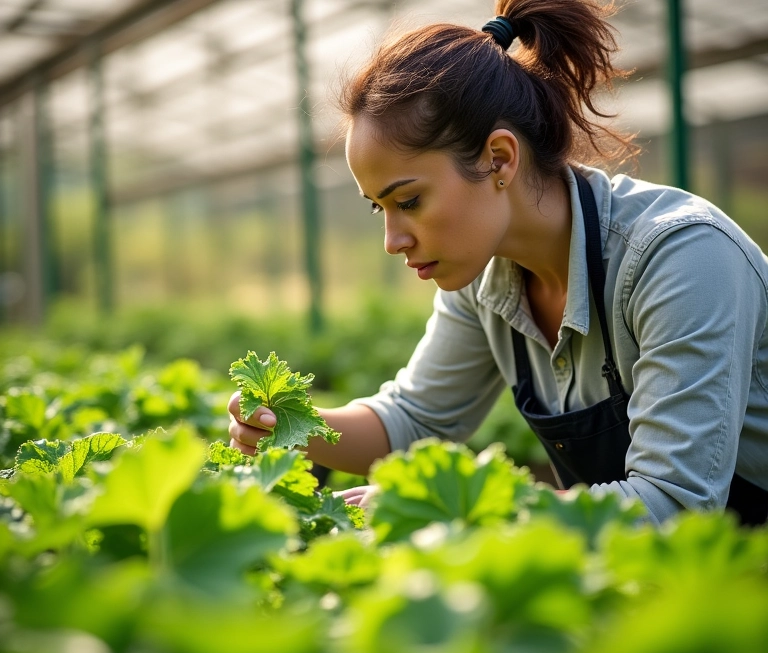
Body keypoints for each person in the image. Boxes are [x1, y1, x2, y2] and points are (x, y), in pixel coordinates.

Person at [229, 0, 768, 526]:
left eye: (409, 201)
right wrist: (293, 423)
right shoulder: (485, 275)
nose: (392, 241)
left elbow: (671, 504)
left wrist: (455, 506)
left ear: (499, 159)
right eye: (379, 207)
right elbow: (414, 419)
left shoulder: (682, 257)